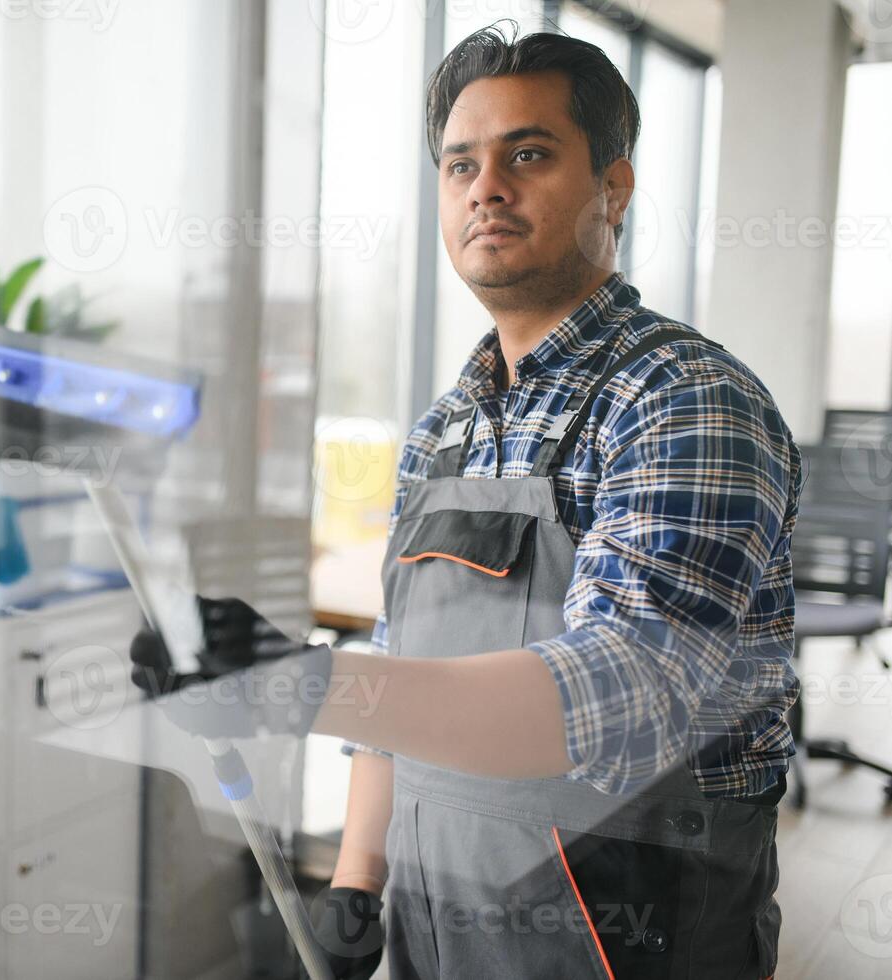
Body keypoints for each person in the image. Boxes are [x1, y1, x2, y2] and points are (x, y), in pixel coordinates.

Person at [131, 22, 800, 980]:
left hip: (631, 933)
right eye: (458, 165)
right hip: (439, 920)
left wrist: (306, 686)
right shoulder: (442, 428)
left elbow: (630, 692)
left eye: (526, 154)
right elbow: (401, 661)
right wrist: (356, 888)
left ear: (612, 189)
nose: (485, 186)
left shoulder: (681, 397)